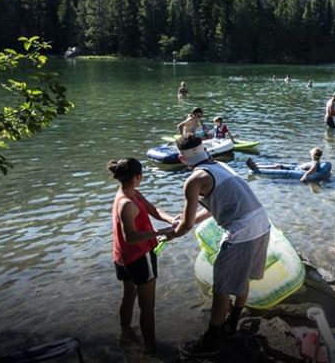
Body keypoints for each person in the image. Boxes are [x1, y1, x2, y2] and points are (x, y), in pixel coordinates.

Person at [168, 136, 270, 357]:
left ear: (181, 158)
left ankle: (212, 340)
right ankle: (231, 325)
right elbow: (215, 207)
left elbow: (184, 226)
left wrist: (168, 236)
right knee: (244, 279)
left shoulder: (194, 180)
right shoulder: (219, 166)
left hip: (242, 232)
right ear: (205, 150)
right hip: (262, 223)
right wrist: (191, 220)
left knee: (221, 289)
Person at [109, 158, 178, 354]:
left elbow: (153, 210)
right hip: (139, 257)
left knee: (128, 295)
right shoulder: (127, 204)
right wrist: (159, 233)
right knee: (147, 307)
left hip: (121, 256)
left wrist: (171, 219)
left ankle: (126, 333)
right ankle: (151, 349)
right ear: (137, 177)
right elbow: (130, 237)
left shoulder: (130, 193)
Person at [246, 147, 324, 183]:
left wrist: (305, 175)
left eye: (311, 153)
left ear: (313, 155)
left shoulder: (315, 163)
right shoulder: (315, 161)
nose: (309, 154)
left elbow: (313, 169)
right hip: (296, 168)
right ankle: (256, 166)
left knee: (277, 166)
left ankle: (256, 168)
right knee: (277, 165)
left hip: (295, 171)